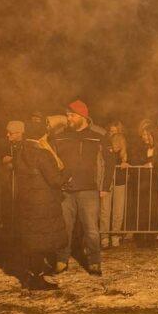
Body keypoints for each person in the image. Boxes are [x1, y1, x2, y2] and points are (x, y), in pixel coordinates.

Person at [52, 100, 114, 276]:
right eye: (67, 115)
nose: (68, 118)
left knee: (91, 229)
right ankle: (61, 260)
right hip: (65, 190)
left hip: (89, 190)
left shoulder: (98, 135)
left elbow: (110, 162)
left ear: (82, 117)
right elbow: (51, 159)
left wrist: (105, 186)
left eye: (71, 115)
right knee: (64, 228)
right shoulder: (60, 135)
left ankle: (94, 262)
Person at [15, 121, 70, 290]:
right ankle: (37, 279)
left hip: (27, 201)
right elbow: (54, 180)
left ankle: (32, 274)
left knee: (33, 239)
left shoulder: (20, 152)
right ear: (41, 136)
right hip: (44, 203)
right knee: (42, 239)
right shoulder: (42, 154)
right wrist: (67, 175)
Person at [100, 121, 128, 248]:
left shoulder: (125, 153)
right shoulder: (105, 147)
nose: (113, 136)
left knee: (118, 210)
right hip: (107, 181)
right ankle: (104, 236)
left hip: (120, 181)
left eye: (115, 132)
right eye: (111, 132)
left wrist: (126, 163)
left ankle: (115, 235)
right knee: (105, 210)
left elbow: (130, 162)